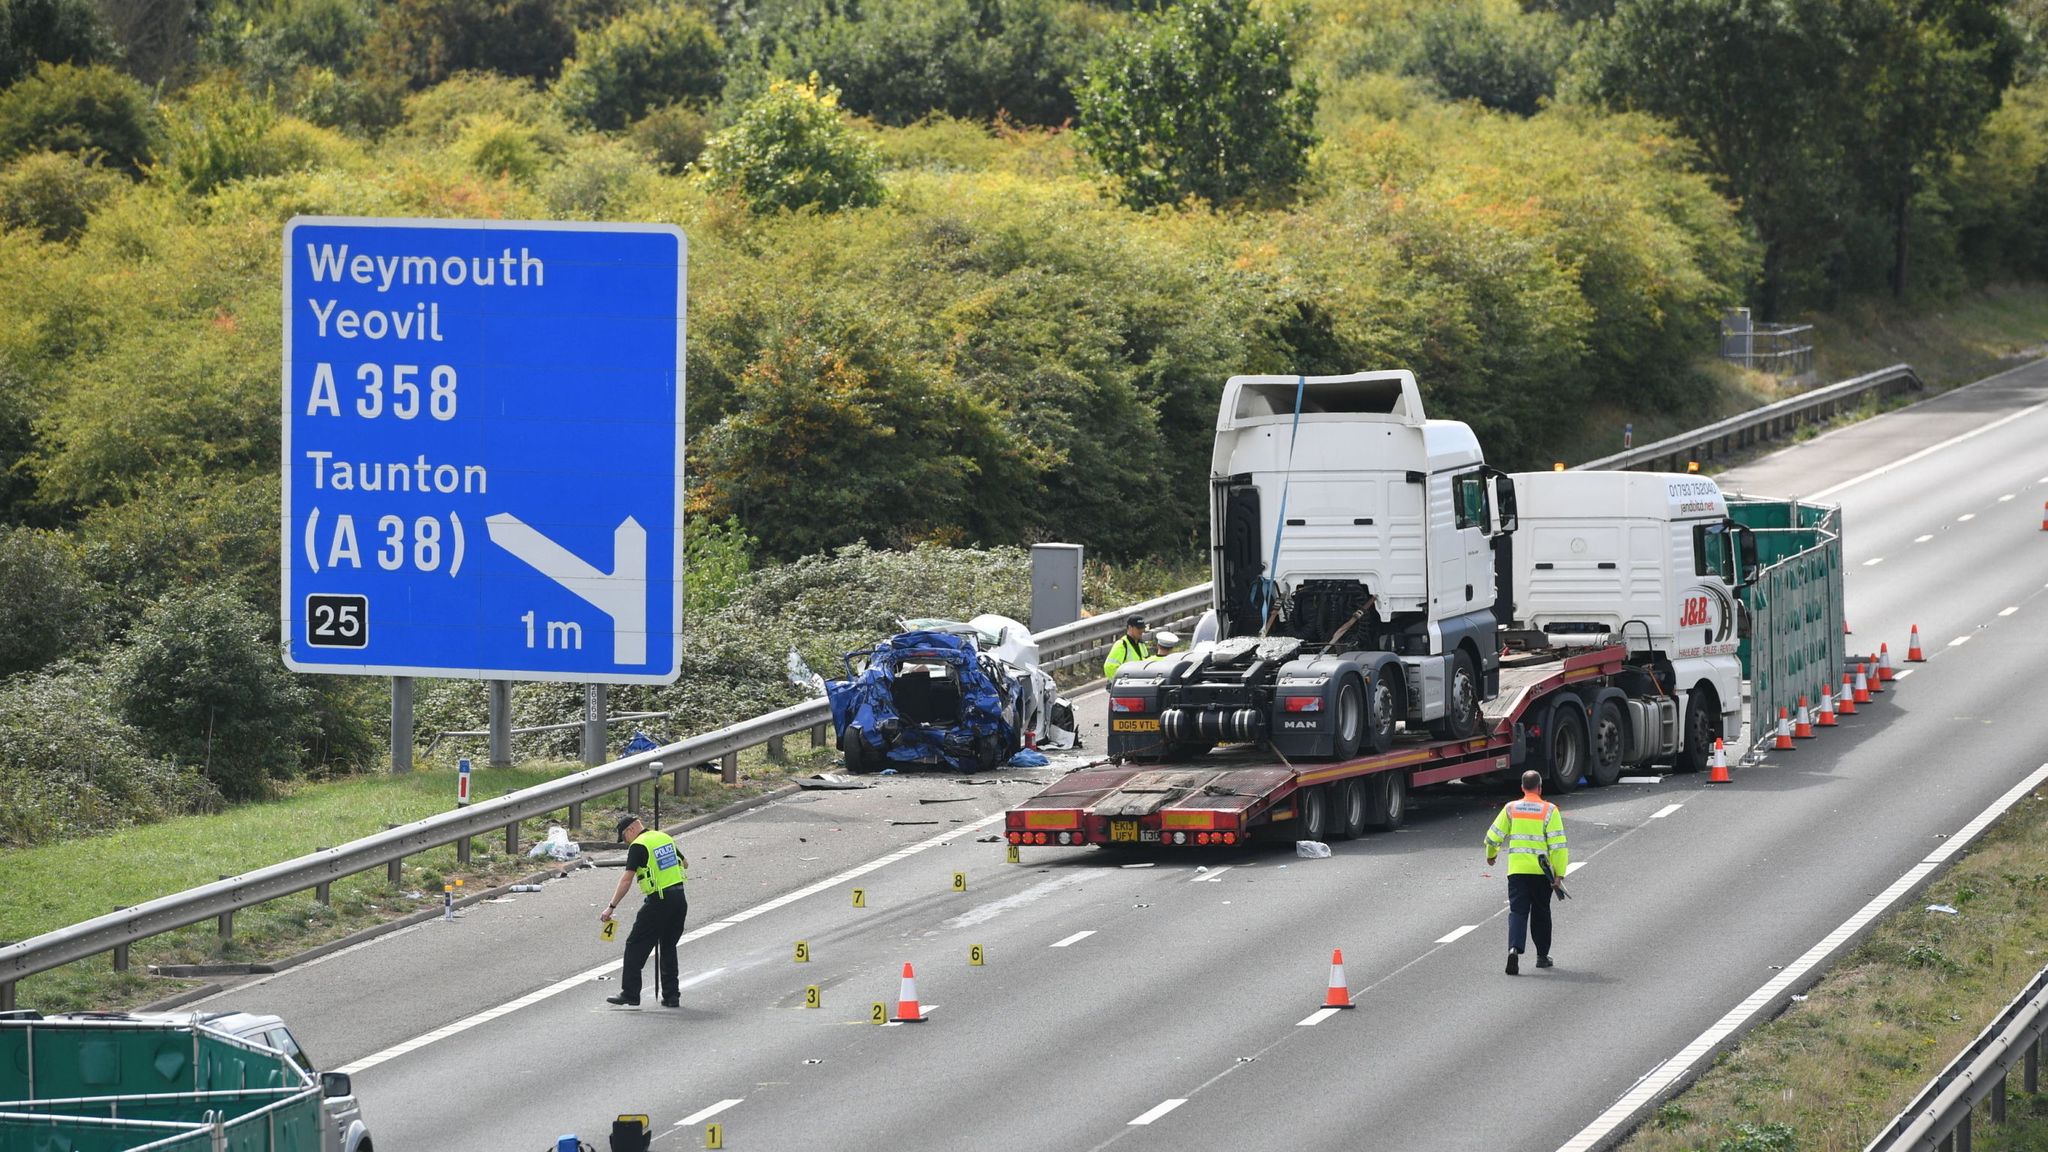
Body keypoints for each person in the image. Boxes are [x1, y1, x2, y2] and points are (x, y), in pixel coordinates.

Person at [1483, 770, 1569, 975]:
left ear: (1522, 787)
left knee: (1518, 912)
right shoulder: (1550, 810)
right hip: (1541, 872)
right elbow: (1558, 846)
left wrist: (1491, 855)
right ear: (1540, 787)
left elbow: (1493, 836)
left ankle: (1514, 949)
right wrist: (1559, 875)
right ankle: (1542, 956)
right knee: (1541, 911)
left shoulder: (1511, 808)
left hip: (1517, 871)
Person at [601, 813, 689, 1007]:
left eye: (624, 837)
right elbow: (684, 863)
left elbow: (626, 880)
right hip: (679, 899)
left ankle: (630, 993)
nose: (625, 842)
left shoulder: (639, 845)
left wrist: (611, 907)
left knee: (635, 944)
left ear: (631, 829)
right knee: (668, 946)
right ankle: (672, 996)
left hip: (659, 901)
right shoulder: (663, 837)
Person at [1103, 615, 1152, 679]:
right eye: (1138, 628)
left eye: (1143, 628)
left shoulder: (1141, 644)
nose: (1141, 631)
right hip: (1126, 686)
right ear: (1130, 627)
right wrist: (1121, 682)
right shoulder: (1121, 645)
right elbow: (1109, 667)